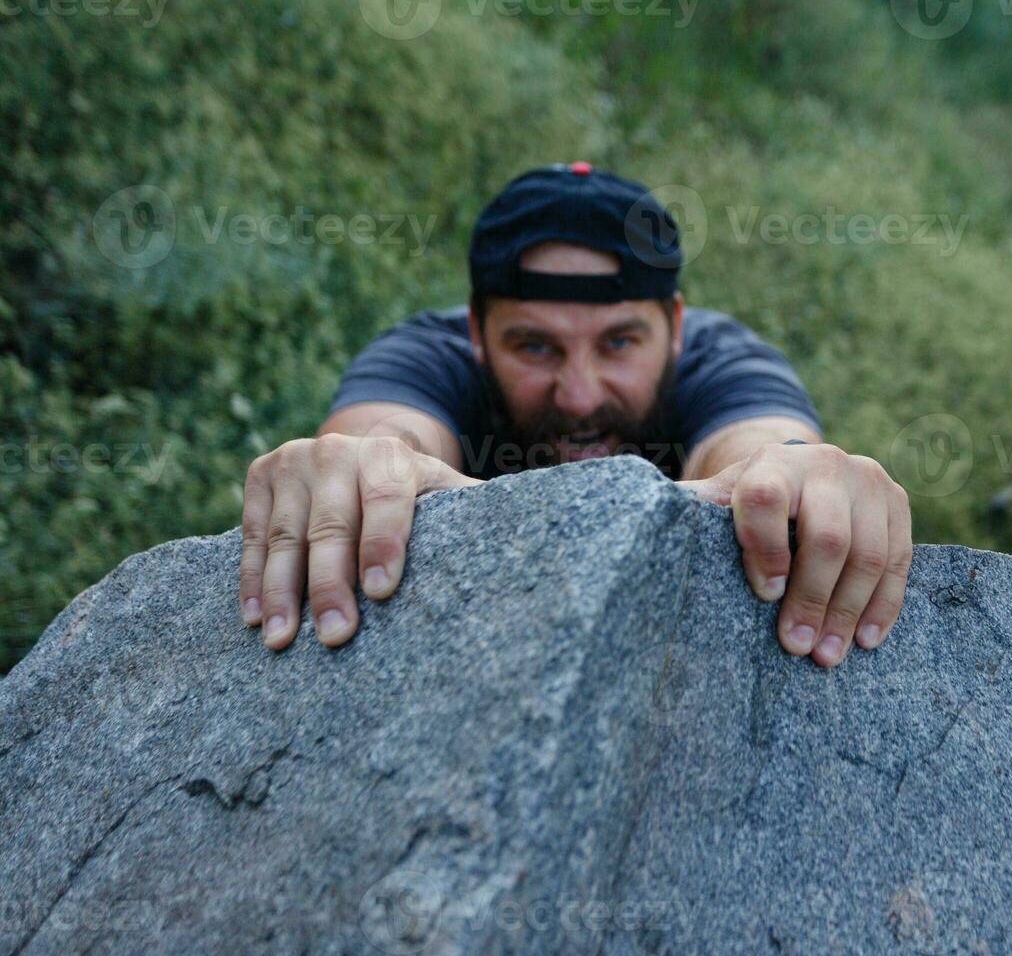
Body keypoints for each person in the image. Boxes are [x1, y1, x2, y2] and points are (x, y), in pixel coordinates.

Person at [238, 164, 912, 668]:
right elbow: (381, 436)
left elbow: (763, 453)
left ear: (675, 327)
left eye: (619, 342)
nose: (581, 396)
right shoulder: (424, 354)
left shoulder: (727, 359)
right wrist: (359, 463)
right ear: (475, 331)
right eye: (535, 345)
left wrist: (798, 472)